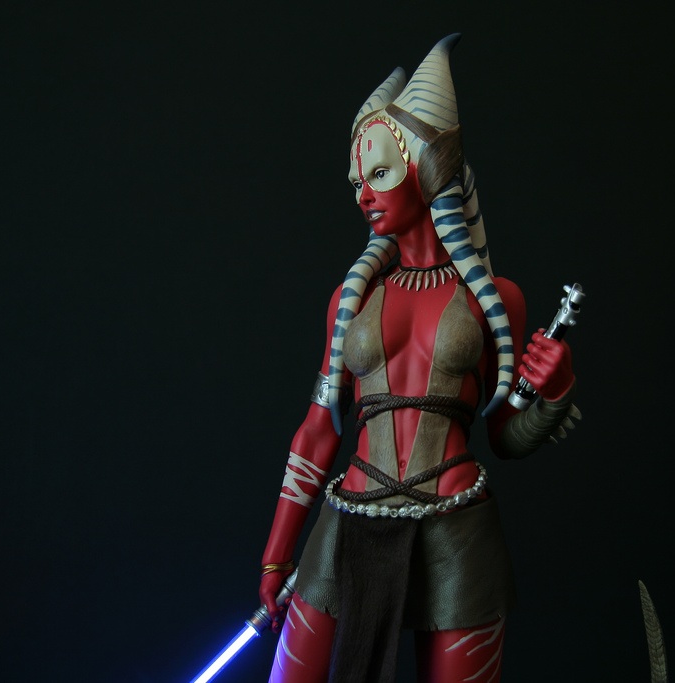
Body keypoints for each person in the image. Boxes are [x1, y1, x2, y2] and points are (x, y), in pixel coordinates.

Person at [257, 34, 580, 683]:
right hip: (349, 519)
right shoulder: (351, 301)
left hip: (458, 530)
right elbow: (319, 430)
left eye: (379, 173)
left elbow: (504, 437)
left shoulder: (496, 300)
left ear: (427, 167)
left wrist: (555, 390)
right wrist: (276, 554)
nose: (363, 194)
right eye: (357, 181)